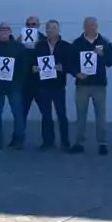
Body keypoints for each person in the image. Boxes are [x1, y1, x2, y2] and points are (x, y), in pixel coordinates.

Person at [71, 17, 112, 155]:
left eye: (93, 25)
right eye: (88, 25)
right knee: (80, 115)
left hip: (99, 85)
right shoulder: (77, 43)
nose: (91, 28)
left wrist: (102, 55)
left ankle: (102, 143)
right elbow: (70, 61)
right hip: (82, 85)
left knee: (101, 115)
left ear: (97, 26)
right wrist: (76, 73)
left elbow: (111, 61)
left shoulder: (105, 42)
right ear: (84, 27)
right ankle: (79, 142)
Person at [34, 20, 74, 151]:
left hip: (58, 85)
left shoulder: (66, 46)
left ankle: (65, 141)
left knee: (61, 114)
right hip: (43, 85)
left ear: (58, 30)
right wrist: (34, 68)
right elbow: (34, 61)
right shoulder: (39, 45)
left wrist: (62, 67)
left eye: (53, 28)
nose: (50, 30)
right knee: (46, 115)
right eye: (48, 28)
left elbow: (70, 64)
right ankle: (47, 141)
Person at [18, 15, 43, 128]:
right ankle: (17, 140)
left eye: (33, 24)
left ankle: (48, 141)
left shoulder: (44, 40)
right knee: (21, 112)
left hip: (40, 82)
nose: (31, 27)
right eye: (28, 24)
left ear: (38, 26)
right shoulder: (20, 40)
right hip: (24, 81)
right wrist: (17, 43)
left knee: (45, 113)